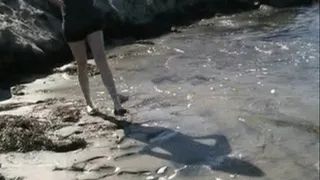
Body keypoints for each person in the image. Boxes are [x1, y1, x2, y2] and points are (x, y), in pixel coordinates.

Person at [47, 0, 128, 116]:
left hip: (91, 18)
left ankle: (117, 103)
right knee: (81, 63)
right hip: (72, 23)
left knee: (100, 58)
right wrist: (60, 4)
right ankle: (89, 103)